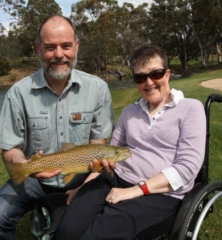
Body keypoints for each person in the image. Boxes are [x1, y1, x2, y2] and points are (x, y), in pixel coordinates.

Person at [0, 14, 114, 239]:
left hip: (83, 175)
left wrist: (90, 177)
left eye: (66, 46)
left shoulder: (98, 89)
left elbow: (97, 144)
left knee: (104, 221)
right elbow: (10, 148)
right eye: (50, 47)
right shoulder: (18, 93)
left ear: (77, 46)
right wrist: (25, 165)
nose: (59, 54)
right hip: (35, 179)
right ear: (38, 48)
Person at [56, 45, 207, 240]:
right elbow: (107, 157)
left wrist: (135, 191)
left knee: (96, 235)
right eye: (140, 77)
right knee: (67, 230)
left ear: (167, 74)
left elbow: (187, 168)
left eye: (156, 74)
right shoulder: (129, 112)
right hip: (116, 177)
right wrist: (83, 187)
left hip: (160, 193)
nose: (149, 83)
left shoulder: (190, 109)